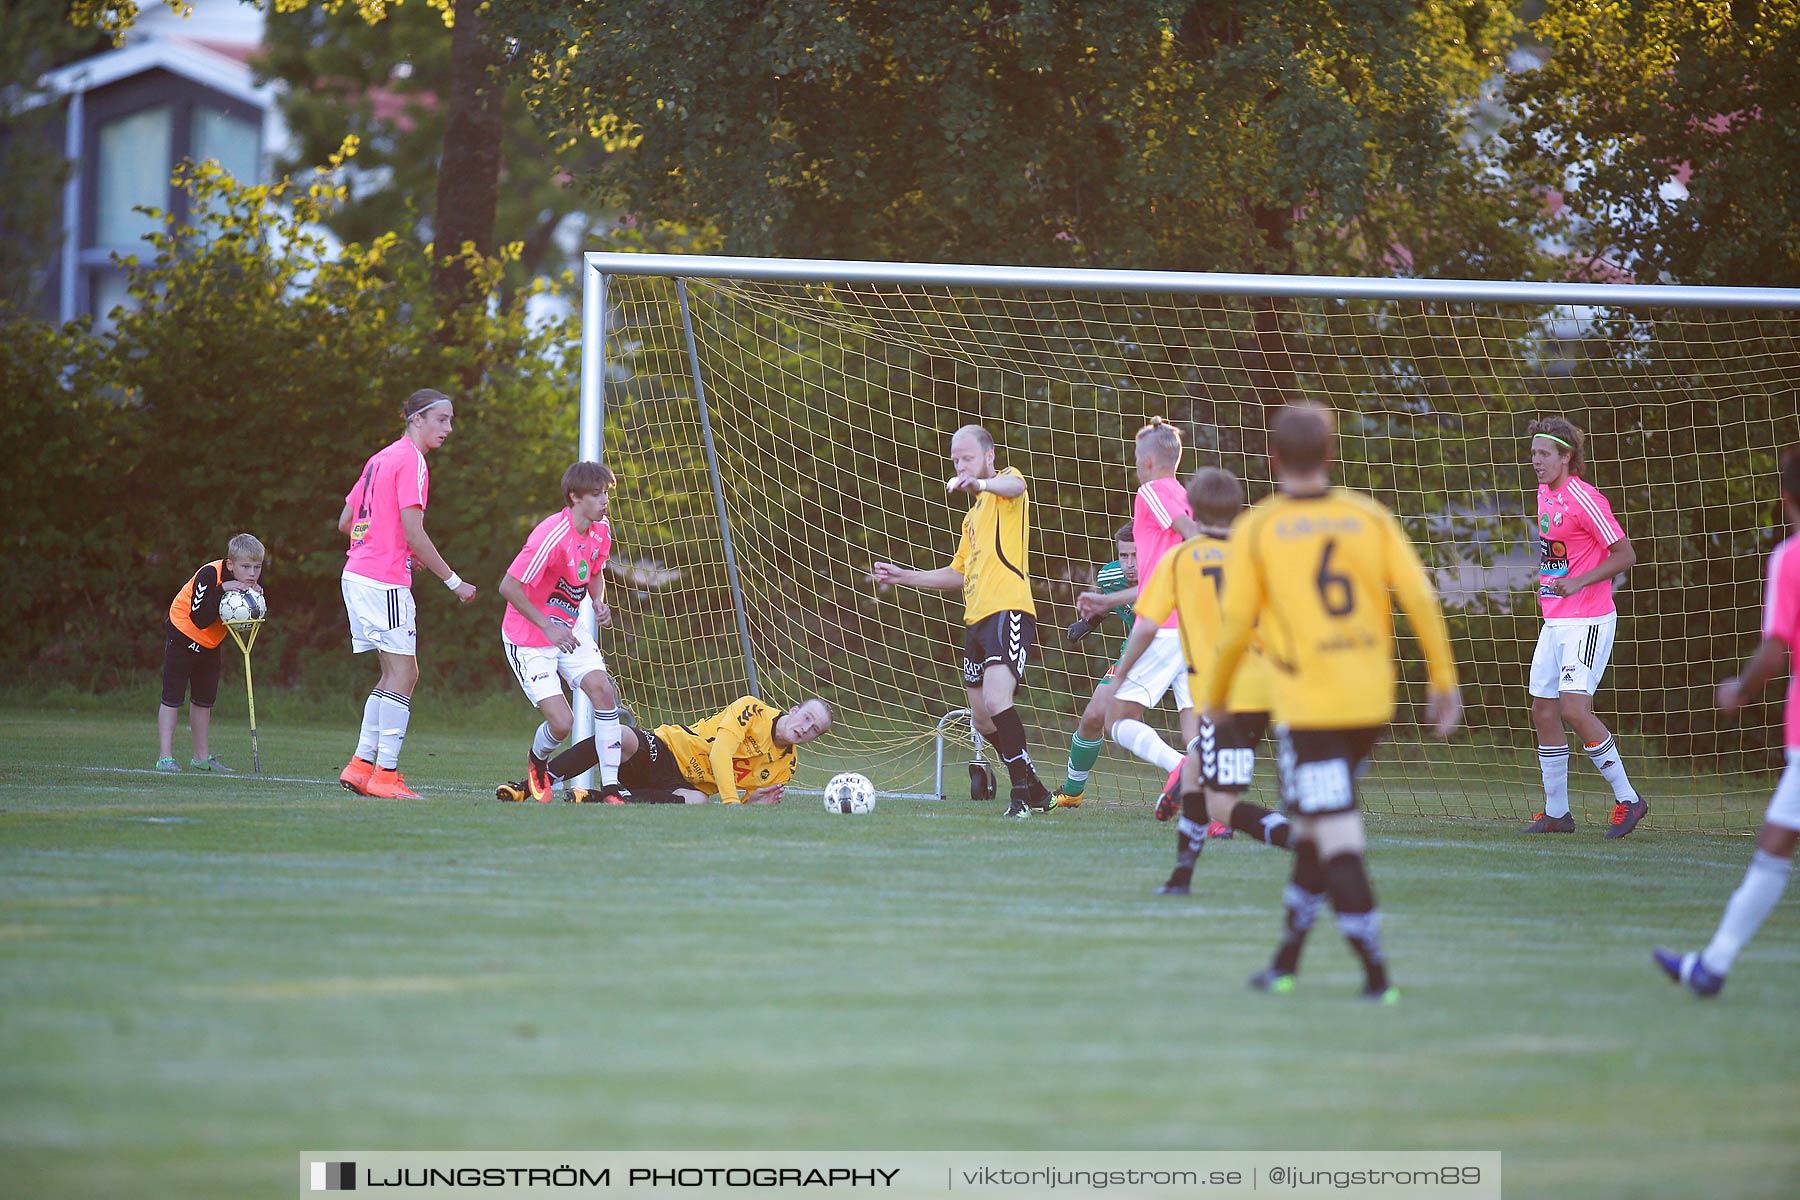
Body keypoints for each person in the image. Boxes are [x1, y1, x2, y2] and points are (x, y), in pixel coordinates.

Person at [1204, 404, 1461, 1003]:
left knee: (1336, 832)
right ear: (1329, 453)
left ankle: (1377, 977)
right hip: (1372, 703)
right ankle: (1285, 963)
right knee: (1319, 829)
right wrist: (1442, 680)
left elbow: (1237, 624)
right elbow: (1420, 598)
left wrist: (1215, 699)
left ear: (1272, 459)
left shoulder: (1260, 527)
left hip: (1312, 707)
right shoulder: (1365, 516)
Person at [1654, 446, 1800, 997]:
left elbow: (1776, 649)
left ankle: (1712, 965)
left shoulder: (1789, 559)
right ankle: (1711, 965)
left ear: (1786, 499)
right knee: (1776, 841)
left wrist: (1738, 689)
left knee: (1773, 847)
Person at [1113, 469, 1293, 895]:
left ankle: (1308, 843)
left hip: (1225, 694)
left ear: (1193, 507)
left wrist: (1121, 672)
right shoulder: (1256, 554)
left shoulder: (1181, 558)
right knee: (1195, 781)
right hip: (1263, 688)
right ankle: (1180, 879)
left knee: (1221, 804)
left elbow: (1144, 627)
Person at [872, 425, 1053, 818]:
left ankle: (1020, 798)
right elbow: (957, 574)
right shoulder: (971, 519)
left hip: (1008, 609)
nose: (960, 465)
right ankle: (1036, 787)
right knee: (981, 717)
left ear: (988, 456)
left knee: (995, 699)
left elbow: (1014, 489)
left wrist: (982, 483)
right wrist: (903, 576)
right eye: (955, 460)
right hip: (977, 621)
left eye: (967, 458)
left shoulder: (1008, 484)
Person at [335, 388, 478, 800]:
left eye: (450, 420)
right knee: (406, 674)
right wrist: (454, 581)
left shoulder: (379, 458)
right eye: (441, 419)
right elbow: (413, 529)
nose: (448, 428)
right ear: (416, 418)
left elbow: (347, 521)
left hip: (357, 576)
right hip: (383, 581)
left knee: (391, 673)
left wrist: (393, 546)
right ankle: (386, 774)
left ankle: (360, 766)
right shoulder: (412, 460)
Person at [1523, 416, 1647, 837]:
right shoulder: (1544, 493)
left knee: (1574, 708)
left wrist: (1576, 581)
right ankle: (1556, 812)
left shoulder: (1585, 497)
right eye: (1534, 453)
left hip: (1588, 618)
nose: (1536, 460)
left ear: (1566, 456)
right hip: (1555, 618)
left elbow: (1625, 554)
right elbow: (1560, 550)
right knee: (1543, 707)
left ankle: (1629, 799)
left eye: (1544, 454)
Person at [1076, 418, 1201, 811]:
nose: (1133, 464)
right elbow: (1162, 576)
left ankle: (1178, 768)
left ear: (1147, 461)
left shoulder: (1151, 492)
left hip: (1164, 627)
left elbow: (1192, 536)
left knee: (1117, 719)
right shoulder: (1184, 492)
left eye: (1135, 457)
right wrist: (1109, 601)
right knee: (1194, 725)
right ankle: (1212, 813)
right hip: (1195, 626)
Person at [497, 462, 624, 804]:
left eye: (606, 494)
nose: (604, 502)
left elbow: (595, 571)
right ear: (574, 497)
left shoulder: (601, 530)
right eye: (597, 495)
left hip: (568, 629)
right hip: (529, 637)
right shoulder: (551, 536)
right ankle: (538, 762)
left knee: (603, 691)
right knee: (562, 723)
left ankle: (611, 788)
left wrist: (598, 601)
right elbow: (509, 587)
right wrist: (547, 626)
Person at [498, 696, 833, 805]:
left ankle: (595, 797)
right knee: (618, 734)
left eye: (814, 728)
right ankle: (532, 784)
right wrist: (734, 804)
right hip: (668, 748)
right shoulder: (752, 710)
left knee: (697, 801)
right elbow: (719, 757)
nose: (806, 727)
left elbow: (744, 799)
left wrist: (753, 802)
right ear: (793, 710)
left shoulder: (785, 767)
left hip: (681, 786)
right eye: (806, 717)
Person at [155, 533, 265, 773]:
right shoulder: (210, 574)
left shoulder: (247, 584)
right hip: (183, 633)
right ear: (230, 564)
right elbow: (200, 618)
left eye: (257, 568)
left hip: (210, 643)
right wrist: (223, 588)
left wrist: (251, 601)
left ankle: (201, 758)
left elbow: (235, 618)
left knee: (204, 700)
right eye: (246, 567)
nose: (252, 573)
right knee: (172, 696)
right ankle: (165, 757)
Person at [1050, 524, 1136, 808]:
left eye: (1136, 554)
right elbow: (1112, 604)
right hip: (1138, 653)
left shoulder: (1171, 571)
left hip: (1185, 651)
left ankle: (1202, 791)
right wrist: (1088, 622)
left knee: (1200, 723)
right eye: (1124, 555)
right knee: (1094, 717)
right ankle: (1073, 793)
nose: (1129, 564)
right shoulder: (1110, 576)